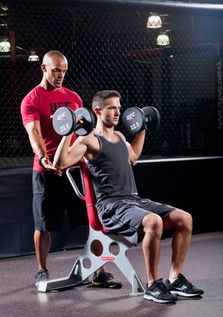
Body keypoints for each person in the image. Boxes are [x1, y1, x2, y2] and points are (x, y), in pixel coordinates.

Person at [53, 89, 204, 303]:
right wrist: (69, 130)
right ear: (97, 110)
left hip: (133, 200)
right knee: (153, 222)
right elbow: (61, 163)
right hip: (110, 206)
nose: (117, 113)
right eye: (112, 108)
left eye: (119, 108)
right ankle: (153, 284)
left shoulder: (120, 137)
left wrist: (141, 129)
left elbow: (133, 156)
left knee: (184, 219)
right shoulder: (88, 140)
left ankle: (175, 279)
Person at [20, 52, 122, 289]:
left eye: (64, 71)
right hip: (46, 171)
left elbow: (85, 132)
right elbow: (34, 133)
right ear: (43, 68)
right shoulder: (31, 100)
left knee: (91, 221)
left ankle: (99, 270)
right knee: (43, 225)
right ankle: (42, 270)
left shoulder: (73, 98)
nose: (60, 75)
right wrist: (43, 157)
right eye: (56, 70)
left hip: (76, 169)